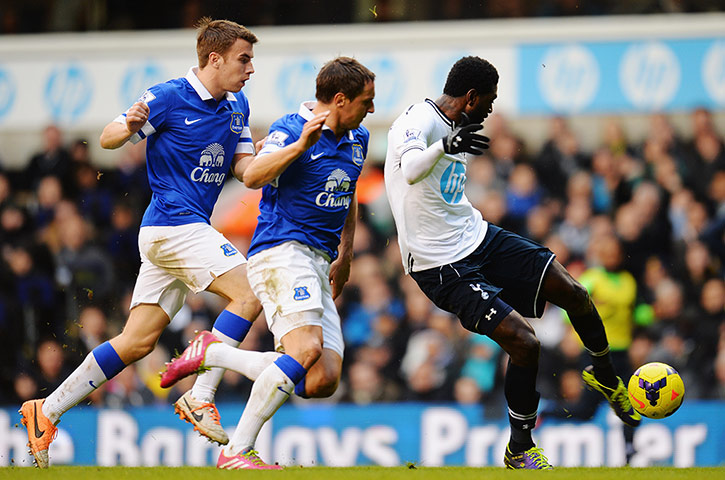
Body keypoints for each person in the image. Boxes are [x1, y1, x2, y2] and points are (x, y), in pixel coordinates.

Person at [19, 18, 263, 469]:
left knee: (136, 342)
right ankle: (201, 395)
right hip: (174, 227)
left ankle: (45, 411)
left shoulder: (238, 106)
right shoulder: (169, 97)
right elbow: (110, 137)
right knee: (250, 292)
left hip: (177, 234)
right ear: (215, 58)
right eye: (244, 59)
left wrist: (280, 155)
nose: (250, 69)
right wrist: (129, 124)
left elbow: (246, 170)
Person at [383, 56, 640, 470]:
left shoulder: (459, 126)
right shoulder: (417, 121)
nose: (490, 109)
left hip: (477, 236)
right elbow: (411, 169)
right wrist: (443, 145)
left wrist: (451, 143)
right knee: (524, 341)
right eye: (488, 100)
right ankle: (520, 447)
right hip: (439, 265)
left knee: (573, 291)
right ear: (470, 97)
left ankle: (606, 374)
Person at [160, 56, 375, 470]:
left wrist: (345, 254)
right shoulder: (289, 129)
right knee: (306, 348)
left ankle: (216, 352)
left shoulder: (358, 136)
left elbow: (347, 195)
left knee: (321, 379)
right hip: (282, 252)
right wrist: (298, 148)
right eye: (366, 101)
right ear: (341, 99)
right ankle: (237, 452)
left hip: (320, 258)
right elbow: (254, 176)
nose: (371, 109)